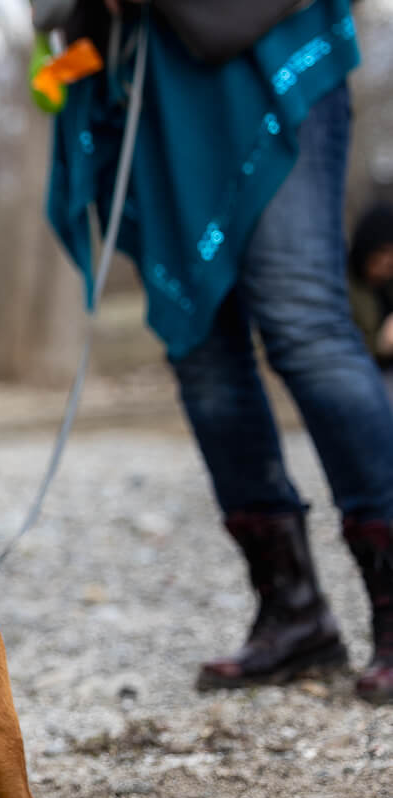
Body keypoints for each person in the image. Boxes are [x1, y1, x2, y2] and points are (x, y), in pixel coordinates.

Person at [43, 0, 393, 703]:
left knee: (303, 323)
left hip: (260, 46)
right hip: (138, 76)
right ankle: (292, 611)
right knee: (200, 352)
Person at [348, 201, 393, 391]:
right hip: (362, 379)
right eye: (383, 251)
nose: (389, 260)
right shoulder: (341, 286)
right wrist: (380, 344)